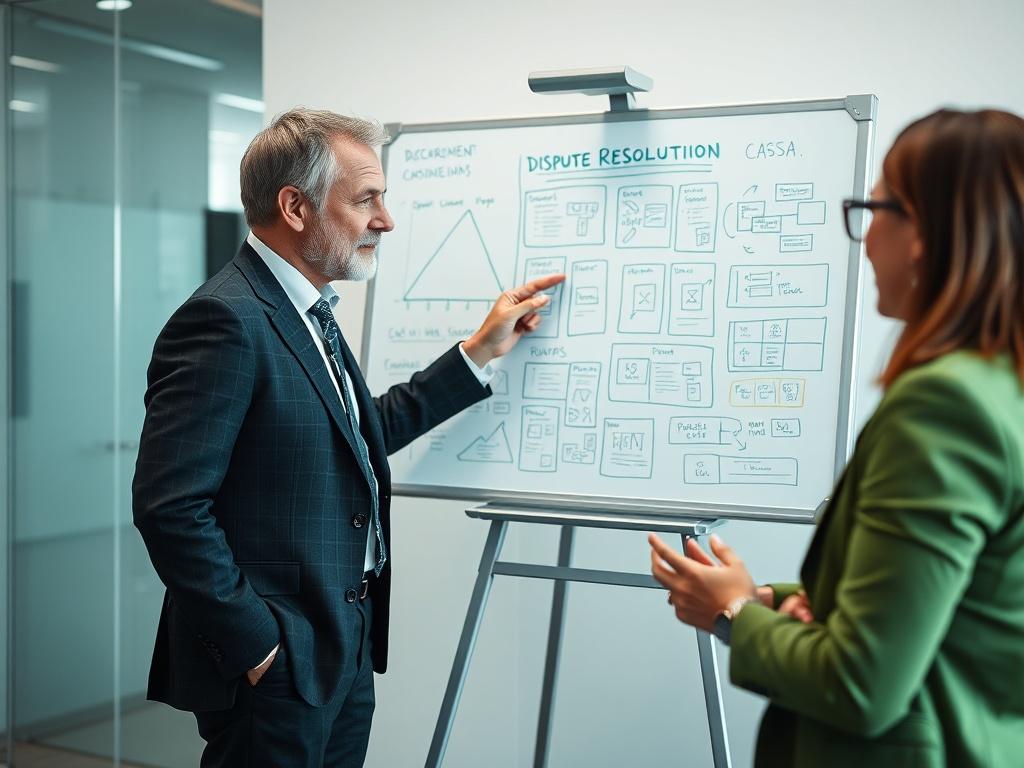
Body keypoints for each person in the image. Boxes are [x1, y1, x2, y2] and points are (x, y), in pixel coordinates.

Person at [133, 108, 564, 767]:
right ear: (296, 207)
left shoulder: (307, 311)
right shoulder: (225, 319)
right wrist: (257, 647)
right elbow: (169, 508)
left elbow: (355, 437)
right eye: (366, 199)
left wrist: (478, 352)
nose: (385, 220)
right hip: (278, 654)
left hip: (345, 641)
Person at [650, 108, 1024, 768]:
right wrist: (781, 603)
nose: (865, 233)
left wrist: (733, 612)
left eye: (877, 206)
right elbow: (966, 613)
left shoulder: (946, 405)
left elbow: (861, 685)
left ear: (922, 234)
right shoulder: (1003, 384)